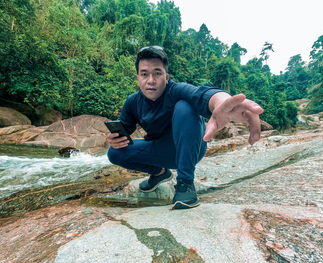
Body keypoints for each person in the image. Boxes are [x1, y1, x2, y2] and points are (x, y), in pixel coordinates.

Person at [106, 46, 263, 210]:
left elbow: (202, 94)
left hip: (191, 148)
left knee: (185, 105)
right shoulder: (133, 102)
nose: (151, 80)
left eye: (157, 73)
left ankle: (185, 183)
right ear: (138, 77)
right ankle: (159, 173)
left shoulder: (176, 90)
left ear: (166, 77)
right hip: (160, 151)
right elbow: (124, 128)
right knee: (114, 152)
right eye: (144, 74)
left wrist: (222, 102)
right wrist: (115, 138)